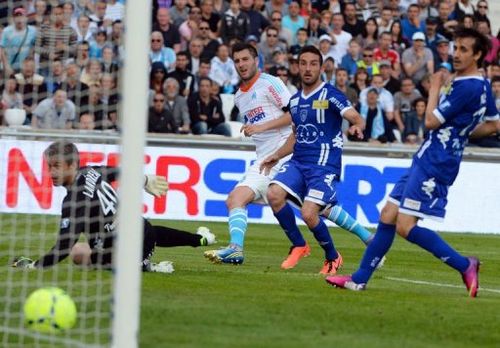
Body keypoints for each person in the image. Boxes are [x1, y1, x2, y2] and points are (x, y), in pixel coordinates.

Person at [326, 28, 499, 297]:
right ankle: (358, 279)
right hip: (429, 155)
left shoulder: (467, 87)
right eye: (456, 47)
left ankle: (465, 264)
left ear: (478, 54)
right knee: (388, 215)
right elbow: (493, 124)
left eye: (464, 49)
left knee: (405, 226)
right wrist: (460, 132)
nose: (457, 54)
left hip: (437, 162)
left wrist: (433, 89)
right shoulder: (483, 84)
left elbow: (429, 122)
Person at [12, 141, 216, 273]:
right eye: (49, 167)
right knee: (78, 253)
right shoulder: (89, 171)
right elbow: (117, 171)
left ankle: (147, 266)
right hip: (129, 234)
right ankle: (200, 239)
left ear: (72, 165)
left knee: (84, 253)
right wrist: (144, 179)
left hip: (132, 244)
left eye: (57, 166)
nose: (51, 173)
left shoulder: (74, 201)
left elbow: (62, 247)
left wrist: (34, 266)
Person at [260, 46, 369, 275]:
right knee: (273, 194)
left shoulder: (330, 95)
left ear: (321, 68)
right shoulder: (296, 101)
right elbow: (295, 136)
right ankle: (299, 245)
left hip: (324, 164)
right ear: (297, 67)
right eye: (303, 63)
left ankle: (333, 257)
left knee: (310, 213)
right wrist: (276, 155)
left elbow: (355, 116)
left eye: (313, 64)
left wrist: (357, 125)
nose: (307, 68)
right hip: (299, 161)